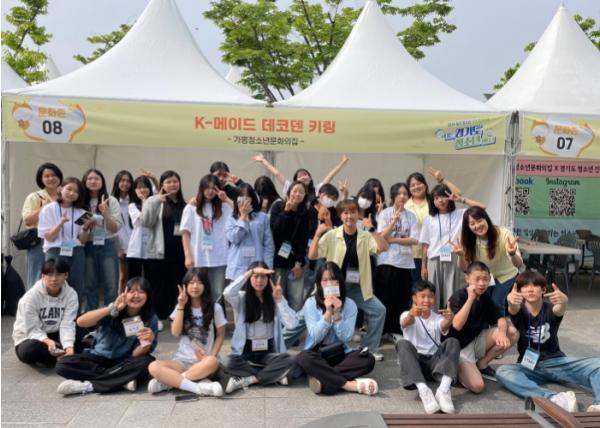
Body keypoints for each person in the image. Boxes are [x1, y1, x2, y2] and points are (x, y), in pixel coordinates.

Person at [496, 271, 600, 413]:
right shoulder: (519, 311)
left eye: (535, 285)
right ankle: (554, 399)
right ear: (519, 291)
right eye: (525, 286)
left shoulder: (550, 309)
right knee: (503, 371)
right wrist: (510, 302)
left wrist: (564, 301)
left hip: (556, 362)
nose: (530, 289)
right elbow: (513, 309)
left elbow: (559, 309)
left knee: (597, 365)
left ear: (543, 290)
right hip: (529, 367)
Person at [308, 199, 393, 360]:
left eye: (353, 212)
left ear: (358, 214)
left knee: (379, 310)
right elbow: (312, 255)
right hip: (334, 287)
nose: (349, 216)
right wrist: (318, 234)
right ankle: (293, 344)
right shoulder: (332, 235)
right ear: (340, 215)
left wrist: (372, 229)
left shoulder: (365, 236)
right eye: (345, 213)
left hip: (357, 287)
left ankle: (369, 348)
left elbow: (383, 247)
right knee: (307, 314)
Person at [55, 277, 158, 395]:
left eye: (141, 292)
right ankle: (120, 380)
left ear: (148, 296)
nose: (136, 295)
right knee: (62, 364)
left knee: (147, 361)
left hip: (123, 362)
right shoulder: (113, 309)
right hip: (98, 358)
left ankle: (88, 386)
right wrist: (112, 308)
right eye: (132, 291)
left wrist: (147, 342)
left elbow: (135, 354)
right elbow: (81, 322)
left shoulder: (151, 319)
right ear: (124, 294)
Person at [295, 262, 378, 396]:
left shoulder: (350, 304)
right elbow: (315, 336)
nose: (329, 284)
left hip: (340, 353)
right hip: (317, 353)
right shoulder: (310, 303)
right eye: (325, 280)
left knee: (368, 359)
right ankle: (348, 385)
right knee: (303, 358)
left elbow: (347, 337)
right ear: (319, 283)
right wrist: (328, 313)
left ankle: (323, 378)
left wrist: (337, 315)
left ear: (339, 282)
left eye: (333, 279)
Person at [221, 262, 298, 394]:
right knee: (226, 362)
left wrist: (280, 300)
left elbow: (293, 324)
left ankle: (250, 379)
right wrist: (249, 273)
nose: (259, 280)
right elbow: (227, 293)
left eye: (263, 277)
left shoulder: (275, 298)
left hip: (268, 352)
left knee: (291, 359)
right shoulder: (241, 298)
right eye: (255, 276)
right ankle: (273, 374)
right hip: (246, 352)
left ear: (268, 279)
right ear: (249, 278)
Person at [147, 268, 225, 397]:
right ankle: (196, 387)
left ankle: (170, 382)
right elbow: (175, 332)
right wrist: (181, 305)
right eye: (191, 283)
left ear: (206, 285)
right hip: (182, 361)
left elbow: (221, 335)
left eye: (199, 282)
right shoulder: (180, 307)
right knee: (153, 366)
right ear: (185, 286)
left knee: (212, 361)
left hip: (204, 362)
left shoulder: (215, 307)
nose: (195, 286)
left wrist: (211, 355)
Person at [448, 262, 519, 393]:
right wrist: (470, 299)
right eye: (477, 279)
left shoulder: (485, 297)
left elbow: (501, 319)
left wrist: (502, 333)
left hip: (476, 340)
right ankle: (458, 368)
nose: (481, 283)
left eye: (485, 279)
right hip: (460, 348)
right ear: (467, 279)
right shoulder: (458, 296)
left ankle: (482, 363)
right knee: (477, 386)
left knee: (512, 332)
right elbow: (457, 325)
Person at [396, 280, 460, 414]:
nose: (427, 300)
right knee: (402, 343)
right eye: (422, 296)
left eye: (430, 296)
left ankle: (443, 390)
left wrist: (449, 319)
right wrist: (411, 314)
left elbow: (443, 326)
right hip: (415, 363)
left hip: (434, 363)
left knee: (453, 341)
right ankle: (423, 390)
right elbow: (406, 323)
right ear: (414, 298)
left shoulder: (437, 317)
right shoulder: (406, 315)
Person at [420, 183, 486, 308]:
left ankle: (452, 317)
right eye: (436, 198)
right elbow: (425, 244)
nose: (440, 200)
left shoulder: (460, 214)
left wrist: (461, 199)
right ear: (432, 201)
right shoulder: (429, 219)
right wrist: (423, 266)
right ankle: (434, 319)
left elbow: (482, 208)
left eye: (443, 196)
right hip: (434, 260)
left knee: (452, 293)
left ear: (449, 197)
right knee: (433, 294)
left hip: (455, 257)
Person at [13, 258, 79, 367]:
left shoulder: (71, 295)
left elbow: (67, 324)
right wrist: (47, 341)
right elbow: (32, 329)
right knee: (30, 350)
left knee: (81, 327)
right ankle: (63, 357)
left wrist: (69, 346)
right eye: (49, 275)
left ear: (66, 275)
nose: (54, 279)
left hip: (56, 333)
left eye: (58, 275)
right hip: (30, 337)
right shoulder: (30, 298)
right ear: (43, 276)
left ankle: (63, 354)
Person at [456, 206, 522, 315]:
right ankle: (485, 325)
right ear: (468, 227)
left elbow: (518, 264)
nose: (477, 226)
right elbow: (464, 269)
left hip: (506, 275)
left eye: (479, 221)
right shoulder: (468, 240)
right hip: (485, 277)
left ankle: (499, 324)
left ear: (486, 219)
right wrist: (461, 255)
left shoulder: (504, 234)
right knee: (483, 302)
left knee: (496, 302)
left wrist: (512, 254)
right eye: (472, 224)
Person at [38, 177, 93, 305]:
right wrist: (60, 223)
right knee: (54, 286)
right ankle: (52, 316)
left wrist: (86, 227)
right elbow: (48, 237)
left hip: (77, 251)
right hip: (55, 251)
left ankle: (75, 316)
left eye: (76, 191)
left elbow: (82, 240)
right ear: (60, 189)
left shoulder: (83, 213)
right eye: (69, 189)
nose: (72, 193)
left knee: (77, 287)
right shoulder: (48, 209)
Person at [142, 170, 187, 326]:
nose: (172, 185)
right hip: (159, 252)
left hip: (180, 252)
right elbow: (146, 222)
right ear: (162, 185)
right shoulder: (155, 201)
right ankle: (157, 316)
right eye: (168, 182)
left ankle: (176, 315)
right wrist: (154, 200)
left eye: (175, 181)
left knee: (177, 284)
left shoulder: (184, 204)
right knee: (158, 286)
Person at [375, 183, 418, 341]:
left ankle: (396, 330)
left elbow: (414, 239)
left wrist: (393, 240)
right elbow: (380, 236)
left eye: (405, 193)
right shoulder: (385, 213)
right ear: (393, 196)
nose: (402, 196)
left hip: (405, 263)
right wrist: (393, 223)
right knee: (384, 297)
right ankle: (381, 331)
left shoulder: (411, 216)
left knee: (401, 297)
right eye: (399, 193)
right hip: (387, 261)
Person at [181, 175, 233, 302]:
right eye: (207, 188)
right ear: (201, 189)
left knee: (217, 293)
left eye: (213, 188)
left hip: (219, 258)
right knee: (197, 292)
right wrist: (188, 255)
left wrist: (226, 199)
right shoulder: (191, 207)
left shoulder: (225, 207)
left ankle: (216, 315)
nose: (210, 191)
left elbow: (241, 213)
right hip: (198, 257)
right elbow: (185, 232)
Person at [406, 168, 461, 284]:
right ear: (409, 188)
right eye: (412, 185)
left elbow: (458, 195)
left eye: (419, 183)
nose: (416, 187)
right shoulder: (405, 205)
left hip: (437, 253)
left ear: (425, 185)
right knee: (418, 288)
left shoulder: (434, 199)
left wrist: (442, 180)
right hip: (412, 254)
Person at [82, 169, 122, 311]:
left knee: (111, 284)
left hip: (107, 243)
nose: (93, 181)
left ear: (102, 181)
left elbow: (114, 228)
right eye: (90, 179)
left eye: (97, 178)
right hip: (87, 245)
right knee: (89, 284)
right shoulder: (80, 201)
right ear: (84, 181)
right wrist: (87, 225)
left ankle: (109, 317)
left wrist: (105, 213)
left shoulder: (111, 200)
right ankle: (91, 317)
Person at [270, 180, 310, 311]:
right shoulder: (278, 207)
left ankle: (294, 324)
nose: (297, 194)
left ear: (305, 195)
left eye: (301, 192)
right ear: (288, 192)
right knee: (279, 297)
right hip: (279, 260)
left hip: (296, 263)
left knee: (296, 300)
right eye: (295, 191)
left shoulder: (304, 213)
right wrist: (286, 212)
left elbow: (303, 240)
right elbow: (275, 231)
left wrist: (298, 264)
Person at [21, 162, 63, 289]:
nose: (51, 178)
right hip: (39, 242)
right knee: (37, 277)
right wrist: (43, 208)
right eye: (47, 176)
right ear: (41, 179)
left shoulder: (64, 195)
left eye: (54, 175)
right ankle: (33, 302)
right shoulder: (34, 197)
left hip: (61, 241)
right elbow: (27, 221)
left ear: (59, 177)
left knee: (58, 277)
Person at [225, 183, 274, 281]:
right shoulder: (231, 218)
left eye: (247, 197)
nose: (244, 201)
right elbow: (234, 239)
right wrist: (243, 217)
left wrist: (267, 267)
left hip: (258, 266)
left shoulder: (263, 218)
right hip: (237, 267)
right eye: (241, 197)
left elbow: (268, 245)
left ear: (252, 199)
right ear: (236, 200)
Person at [253, 153, 349, 203]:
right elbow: (277, 174)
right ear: (295, 181)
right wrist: (263, 160)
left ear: (310, 178)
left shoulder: (317, 190)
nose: (303, 177)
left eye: (305, 174)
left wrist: (342, 163)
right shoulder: (291, 188)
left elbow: (330, 175)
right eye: (299, 176)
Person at [111, 170, 134, 293]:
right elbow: (112, 226)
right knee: (122, 277)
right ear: (117, 182)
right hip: (120, 244)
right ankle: (121, 300)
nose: (125, 183)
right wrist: (118, 247)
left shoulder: (134, 200)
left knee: (134, 277)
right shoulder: (112, 201)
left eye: (128, 181)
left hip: (134, 244)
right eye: (122, 180)